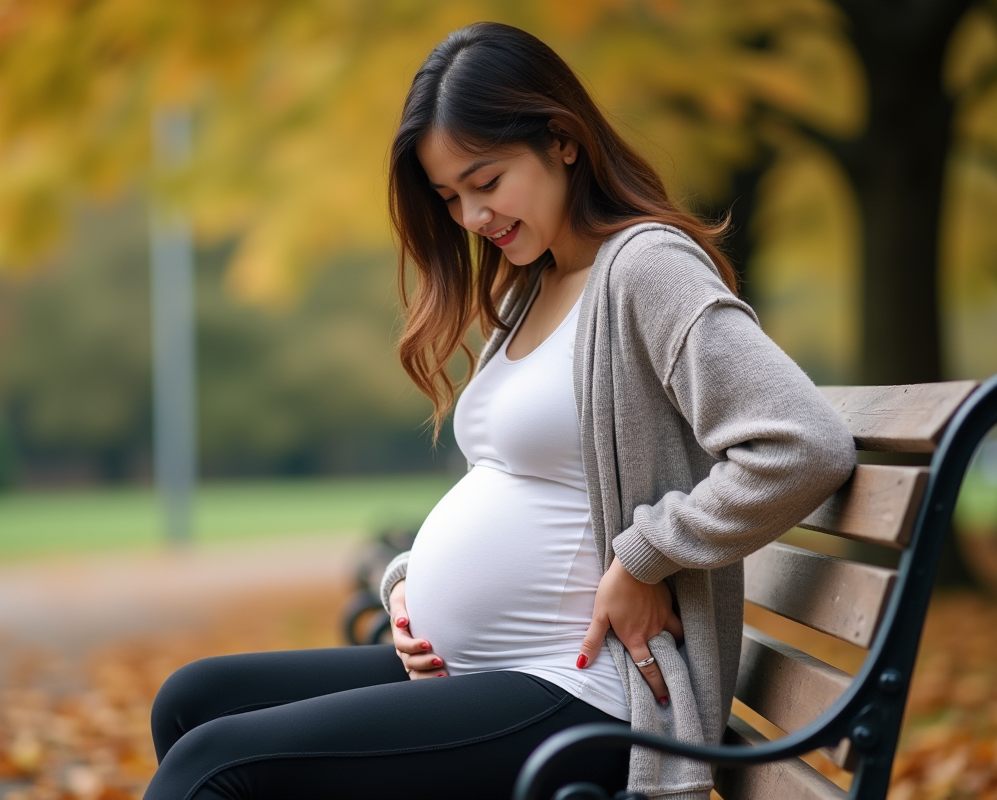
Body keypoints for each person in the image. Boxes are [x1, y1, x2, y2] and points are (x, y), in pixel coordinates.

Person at [144, 21, 856, 800]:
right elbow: (516, 479)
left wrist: (646, 556)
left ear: (563, 140)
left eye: (486, 182)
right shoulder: (530, 285)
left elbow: (803, 444)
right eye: (450, 197)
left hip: (585, 694)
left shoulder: (647, 269)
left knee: (214, 765)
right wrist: (412, 584)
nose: (471, 217)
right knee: (192, 700)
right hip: (484, 673)